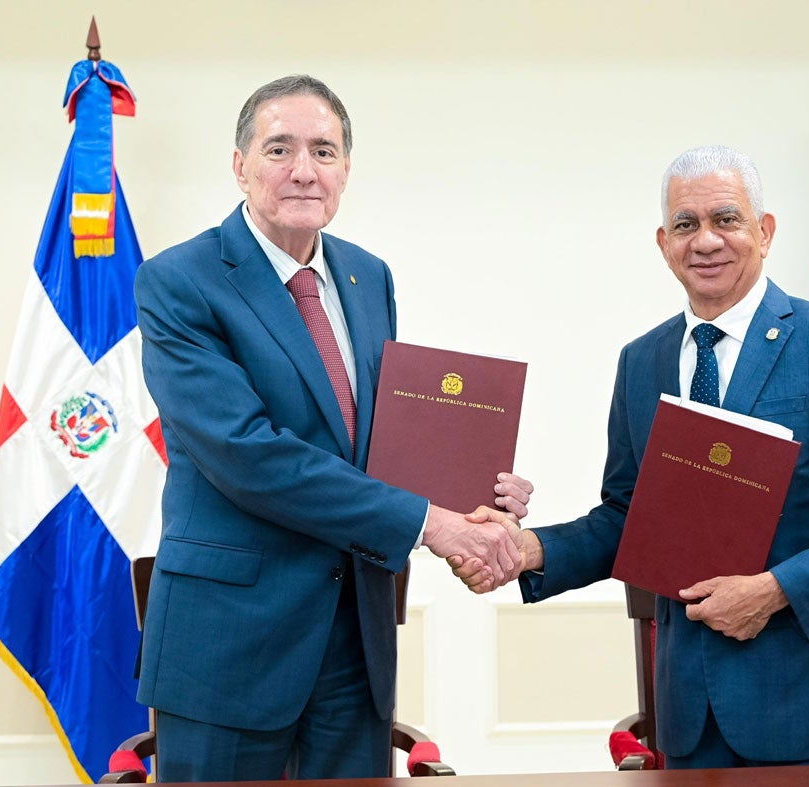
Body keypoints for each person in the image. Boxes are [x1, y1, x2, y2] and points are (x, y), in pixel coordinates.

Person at [453, 145, 809, 767]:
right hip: (687, 719)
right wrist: (528, 550)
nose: (706, 240)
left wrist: (775, 590)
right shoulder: (642, 360)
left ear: (764, 232)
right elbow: (627, 517)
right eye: (686, 224)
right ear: (664, 244)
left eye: (726, 219)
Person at [133, 74, 531, 781]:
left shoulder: (367, 277)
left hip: (357, 641)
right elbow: (249, 456)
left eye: (323, 150)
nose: (303, 170)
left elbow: (380, 444)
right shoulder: (179, 281)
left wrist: (474, 495)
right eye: (279, 149)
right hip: (228, 646)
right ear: (240, 165)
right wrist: (434, 523)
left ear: (346, 168)